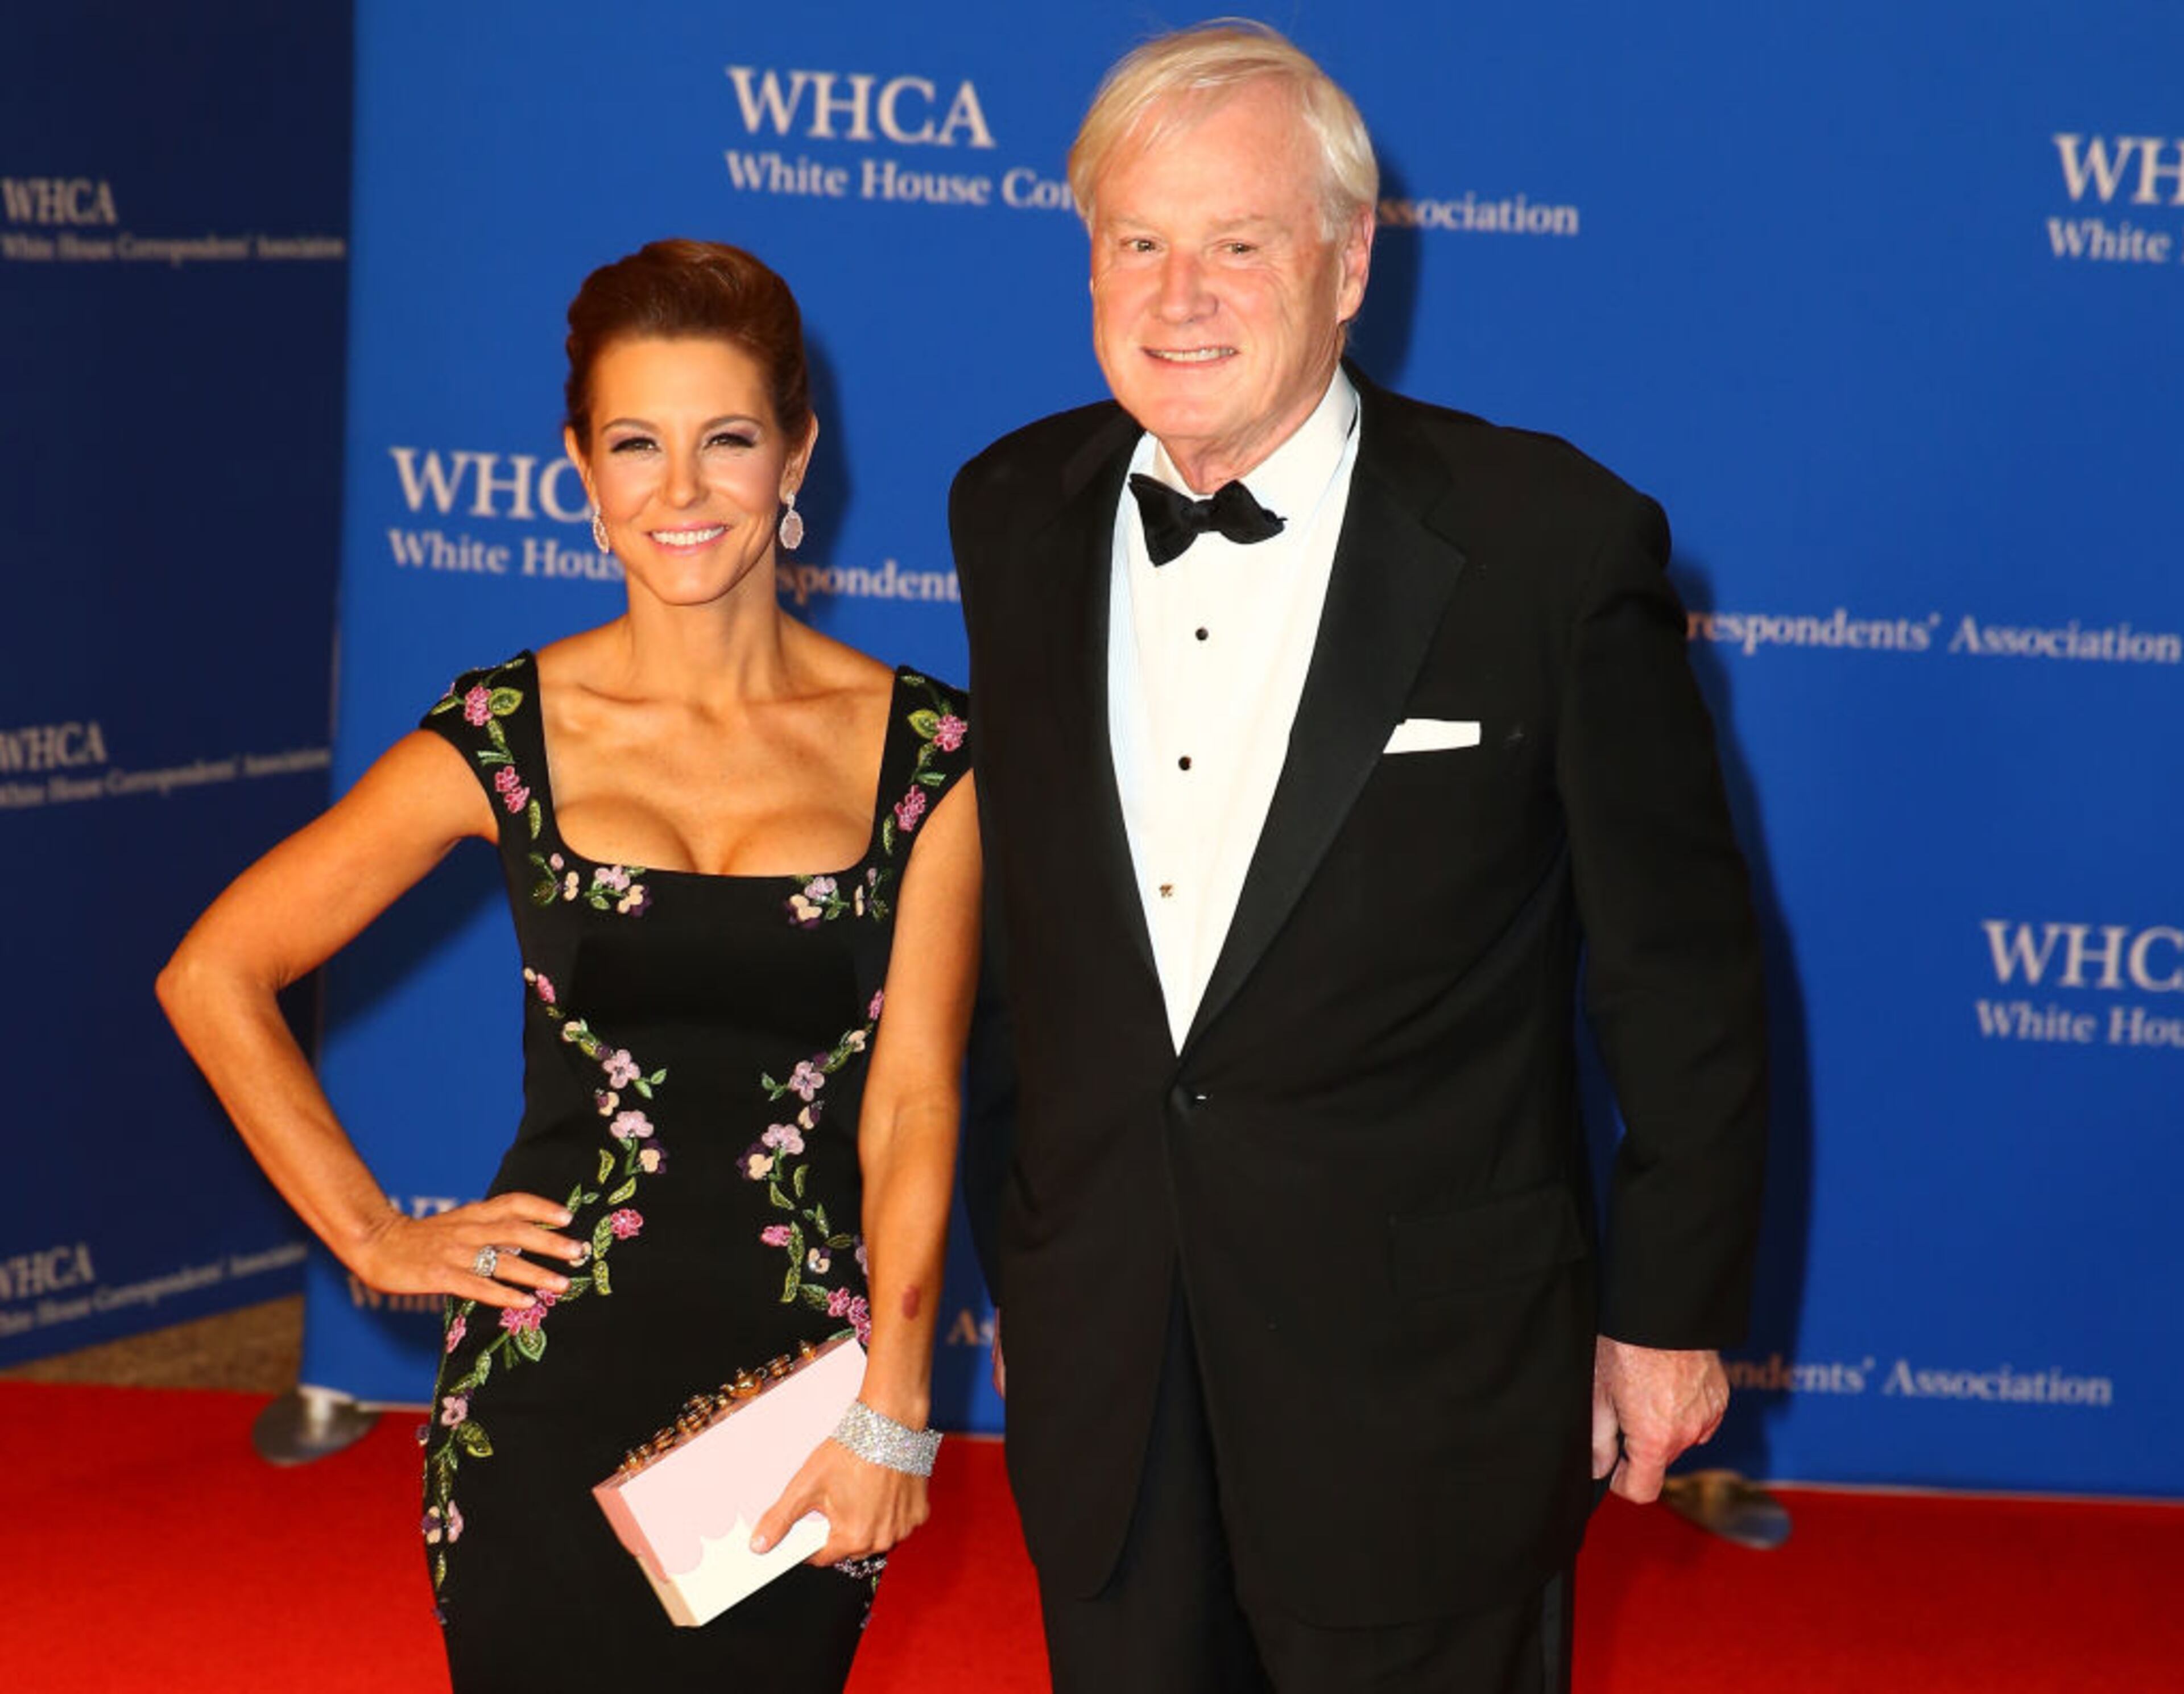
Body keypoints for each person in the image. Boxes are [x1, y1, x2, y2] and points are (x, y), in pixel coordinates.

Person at [950, 23, 1767, 1694]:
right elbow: (1032, 951)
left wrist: (1669, 1315)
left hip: (1425, 1385)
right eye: (1137, 243)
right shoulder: (1012, 512)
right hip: (1111, 1360)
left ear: (1346, 265)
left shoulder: (1546, 547)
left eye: (1237, 244)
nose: (1179, 295)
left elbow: (1679, 969)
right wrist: (1027, 1265)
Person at [158, 238, 979, 1692]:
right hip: (542, 1378)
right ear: (580, 471)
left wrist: (895, 1410)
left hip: (797, 1396)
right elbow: (215, 971)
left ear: (798, 452)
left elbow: (913, 1100)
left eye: (727, 440)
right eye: (635, 446)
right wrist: (367, 1233)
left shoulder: (929, 756)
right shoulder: (507, 735)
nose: (682, 493)